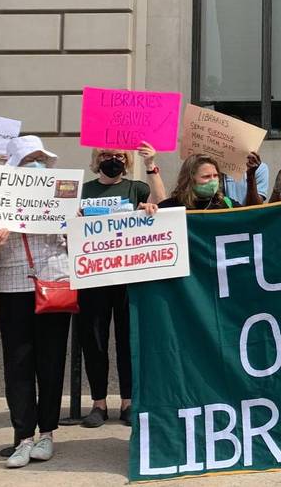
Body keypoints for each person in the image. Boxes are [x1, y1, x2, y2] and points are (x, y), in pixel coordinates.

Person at [0, 136, 72, 468]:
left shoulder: (62, 196)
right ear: (14, 166)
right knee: (17, 365)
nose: (37, 164)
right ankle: (23, 437)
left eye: (41, 159)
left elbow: (83, 241)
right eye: (30, 159)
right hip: (15, 289)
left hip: (55, 285)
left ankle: (46, 433)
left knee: (51, 362)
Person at [77, 146, 162, 430]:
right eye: (105, 156)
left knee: (128, 340)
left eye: (118, 157)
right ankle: (98, 403)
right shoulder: (83, 190)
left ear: (126, 162)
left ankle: (128, 401)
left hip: (128, 278)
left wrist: (151, 169)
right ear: (95, 160)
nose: (112, 161)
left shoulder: (136, 188)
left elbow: (165, 203)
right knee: (95, 340)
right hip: (93, 277)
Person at [159, 154, 263, 210]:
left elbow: (252, 217)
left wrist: (251, 175)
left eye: (216, 176)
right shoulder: (170, 208)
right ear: (190, 180)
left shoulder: (227, 204)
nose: (213, 180)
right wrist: (147, 211)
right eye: (206, 176)